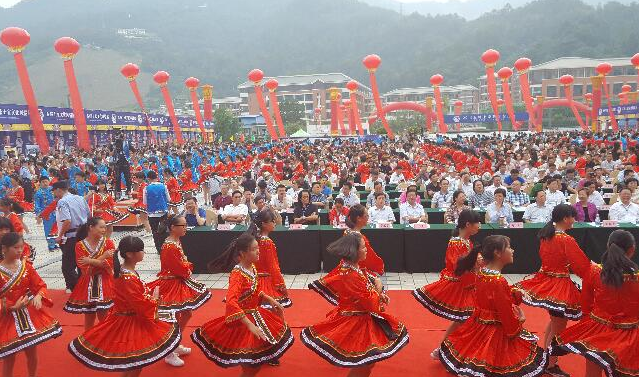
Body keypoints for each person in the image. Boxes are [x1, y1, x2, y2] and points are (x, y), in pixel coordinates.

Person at [68, 236, 181, 376]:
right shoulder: (127, 277)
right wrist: (155, 299)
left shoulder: (123, 271)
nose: (143, 253)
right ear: (129, 254)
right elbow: (139, 303)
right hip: (130, 322)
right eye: (141, 250)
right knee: (136, 362)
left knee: (134, 363)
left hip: (126, 317)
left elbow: (135, 297)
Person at [439, 235, 548, 377]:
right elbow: (505, 312)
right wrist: (520, 321)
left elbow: (493, 297)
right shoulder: (498, 280)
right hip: (495, 331)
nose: (513, 250)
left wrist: (514, 292)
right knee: (497, 365)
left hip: (479, 326)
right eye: (509, 247)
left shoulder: (482, 272)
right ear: (498, 253)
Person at [301, 233, 408, 377]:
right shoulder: (351, 274)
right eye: (364, 247)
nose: (366, 250)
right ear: (354, 251)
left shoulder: (351, 268)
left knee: (368, 362)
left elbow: (362, 293)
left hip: (359, 317)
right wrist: (378, 287)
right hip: (357, 323)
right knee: (365, 363)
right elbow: (370, 304)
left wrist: (378, 294)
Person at [192, 233, 294, 373]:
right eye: (254, 249)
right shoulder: (237, 274)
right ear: (243, 253)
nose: (258, 251)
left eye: (258, 247)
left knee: (255, 363)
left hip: (256, 315)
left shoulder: (252, 267)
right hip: (243, 322)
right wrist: (250, 325)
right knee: (250, 367)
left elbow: (254, 292)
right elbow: (231, 302)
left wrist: (270, 300)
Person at [550, 229, 639, 377]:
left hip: (597, 329)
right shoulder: (636, 277)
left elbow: (586, 305)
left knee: (592, 370)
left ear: (608, 245)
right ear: (632, 250)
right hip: (629, 334)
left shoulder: (594, 271)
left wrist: (588, 329)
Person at [515, 204, 591, 377]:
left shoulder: (546, 235)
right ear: (566, 218)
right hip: (559, 286)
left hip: (547, 281)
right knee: (559, 326)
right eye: (573, 216)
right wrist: (594, 271)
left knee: (555, 321)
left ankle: (545, 358)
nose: (575, 220)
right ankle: (549, 364)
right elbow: (581, 266)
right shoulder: (565, 239)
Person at [413, 209, 481, 359]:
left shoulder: (466, 241)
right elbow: (457, 267)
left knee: (463, 321)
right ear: (468, 224)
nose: (479, 226)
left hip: (468, 285)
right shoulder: (456, 242)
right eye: (477, 223)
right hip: (461, 287)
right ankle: (450, 350)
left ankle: (447, 349)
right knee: (465, 320)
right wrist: (475, 266)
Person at [147, 215, 211, 367]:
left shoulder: (176, 241)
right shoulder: (169, 246)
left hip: (177, 281)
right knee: (173, 317)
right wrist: (188, 266)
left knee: (186, 313)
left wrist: (186, 265)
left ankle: (175, 343)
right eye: (182, 225)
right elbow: (180, 268)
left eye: (185, 225)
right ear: (173, 228)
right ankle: (169, 351)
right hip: (171, 284)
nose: (185, 228)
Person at [0, 232, 62, 377]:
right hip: (7, 318)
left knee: (32, 352)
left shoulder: (26, 267)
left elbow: (40, 285)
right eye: (16, 248)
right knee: (9, 356)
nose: (20, 251)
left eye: (21, 247)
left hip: (29, 317)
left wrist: (39, 296)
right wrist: (11, 307)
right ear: (4, 248)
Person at [309, 204, 385, 305]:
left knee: (349, 297)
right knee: (366, 298)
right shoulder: (360, 238)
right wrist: (380, 266)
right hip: (358, 271)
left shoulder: (347, 232)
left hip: (346, 268)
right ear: (359, 218)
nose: (368, 218)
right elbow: (371, 259)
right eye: (366, 215)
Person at [63, 217, 116, 331]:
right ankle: (88, 341)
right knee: (89, 316)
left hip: (105, 282)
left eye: (105, 227)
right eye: (101, 227)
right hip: (88, 284)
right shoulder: (79, 245)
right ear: (91, 228)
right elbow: (85, 269)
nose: (104, 230)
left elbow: (109, 265)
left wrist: (90, 261)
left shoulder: (108, 242)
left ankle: (106, 340)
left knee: (104, 316)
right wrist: (103, 257)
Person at [53, 180, 90, 292]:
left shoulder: (62, 202)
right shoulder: (80, 198)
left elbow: (67, 221)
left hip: (72, 236)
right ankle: (83, 287)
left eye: (54, 191)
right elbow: (89, 215)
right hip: (84, 233)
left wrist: (60, 235)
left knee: (67, 266)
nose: (54, 194)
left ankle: (75, 288)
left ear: (59, 190)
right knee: (81, 263)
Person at [250, 208, 291, 307]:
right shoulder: (267, 243)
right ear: (264, 224)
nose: (274, 223)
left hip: (253, 280)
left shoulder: (254, 240)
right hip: (265, 283)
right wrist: (282, 286)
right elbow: (273, 267)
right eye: (272, 221)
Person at [143, 171, 170, 253]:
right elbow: (169, 199)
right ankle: (165, 246)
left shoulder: (146, 188)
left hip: (152, 213)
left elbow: (145, 202)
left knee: (155, 231)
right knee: (164, 230)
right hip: (163, 211)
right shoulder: (163, 186)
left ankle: (158, 249)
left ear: (148, 178)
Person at [34, 176, 57, 251]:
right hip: (47, 214)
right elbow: (37, 205)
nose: (45, 183)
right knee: (48, 229)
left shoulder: (53, 189)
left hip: (56, 212)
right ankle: (51, 245)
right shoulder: (38, 193)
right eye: (43, 182)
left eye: (46, 181)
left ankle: (56, 243)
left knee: (56, 228)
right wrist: (39, 215)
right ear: (40, 183)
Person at [127, 171, 153, 237]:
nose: (137, 180)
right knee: (143, 218)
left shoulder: (143, 185)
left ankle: (149, 231)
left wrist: (137, 195)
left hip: (143, 203)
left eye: (138, 178)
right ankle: (148, 230)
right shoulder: (142, 184)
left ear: (141, 178)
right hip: (142, 202)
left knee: (144, 218)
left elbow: (144, 195)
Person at [113, 133, 132, 200]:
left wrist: (130, 159)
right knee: (118, 178)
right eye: (120, 137)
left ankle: (129, 191)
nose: (121, 138)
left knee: (127, 177)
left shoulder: (127, 144)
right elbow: (111, 152)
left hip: (125, 162)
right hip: (118, 163)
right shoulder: (115, 143)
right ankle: (118, 191)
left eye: (122, 137)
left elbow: (134, 151)